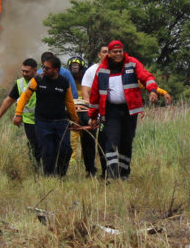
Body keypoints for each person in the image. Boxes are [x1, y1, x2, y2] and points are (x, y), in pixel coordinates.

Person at [88, 40, 158, 180]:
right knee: (111, 141)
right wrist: (93, 116)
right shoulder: (101, 70)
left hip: (129, 111)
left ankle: (124, 174)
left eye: (120, 51)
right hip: (111, 111)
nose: (118, 54)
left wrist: (152, 90)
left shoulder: (132, 63)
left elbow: (146, 76)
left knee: (126, 142)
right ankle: (112, 175)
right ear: (109, 53)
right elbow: (95, 95)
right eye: (115, 52)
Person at [14, 56, 79, 176]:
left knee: (66, 149)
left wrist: (74, 119)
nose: (43, 70)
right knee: (48, 150)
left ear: (56, 70)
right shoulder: (38, 80)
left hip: (61, 122)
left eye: (46, 68)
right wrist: (18, 114)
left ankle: (60, 175)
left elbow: (69, 102)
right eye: (43, 67)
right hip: (43, 122)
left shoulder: (64, 82)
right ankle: (49, 176)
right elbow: (24, 97)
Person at [0, 58, 41, 167]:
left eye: (27, 71)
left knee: (45, 145)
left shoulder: (42, 81)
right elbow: (8, 101)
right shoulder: (20, 83)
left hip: (44, 120)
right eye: (22, 71)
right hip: (29, 121)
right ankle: (37, 169)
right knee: (34, 146)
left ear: (35, 71)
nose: (24, 73)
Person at [81, 44, 109, 177]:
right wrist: (92, 112)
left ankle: (106, 171)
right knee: (88, 139)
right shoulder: (91, 71)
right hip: (92, 110)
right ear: (99, 54)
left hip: (110, 112)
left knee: (105, 141)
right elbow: (85, 93)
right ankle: (90, 169)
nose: (107, 54)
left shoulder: (118, 70)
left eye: (110, 52)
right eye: (104, 52)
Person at [68, 56, 98, 177]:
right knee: (72, 138)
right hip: (73, 111)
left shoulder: (88, 78)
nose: (75, 69)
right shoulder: (68, 80)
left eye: (77, 66)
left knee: (88, 139)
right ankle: (72, 161)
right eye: (72, 66)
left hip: (88, 111)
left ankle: (87, 164)